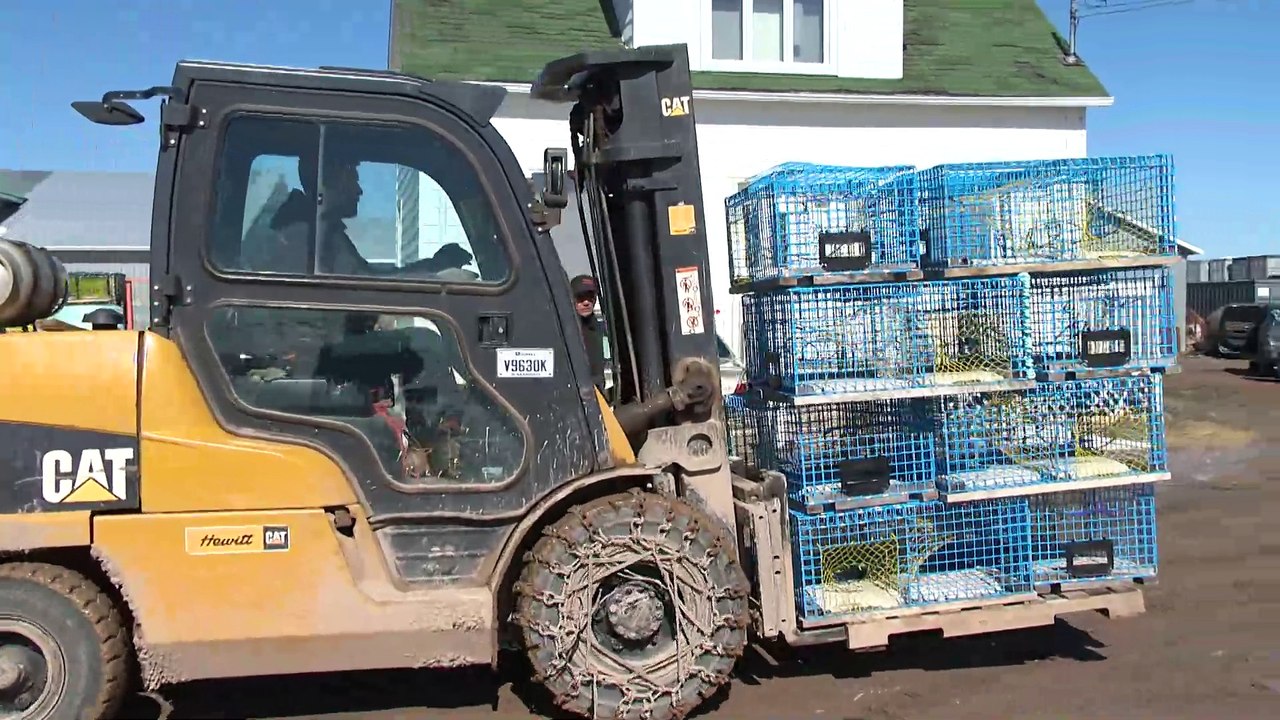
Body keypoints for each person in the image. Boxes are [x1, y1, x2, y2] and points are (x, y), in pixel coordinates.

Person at [570, 274, 606, 391]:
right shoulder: (565, 331)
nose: (586, 302)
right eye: (580, 297)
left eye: (590, 297)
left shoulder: (602, 329)